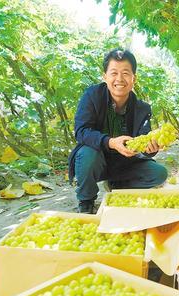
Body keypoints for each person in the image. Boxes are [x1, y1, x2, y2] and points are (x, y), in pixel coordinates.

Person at [68, 49, 168, 214]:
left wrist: (150, 150)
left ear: (133, 79)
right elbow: (81, 131)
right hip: (97, 161)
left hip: (125, 164)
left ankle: (118, 185)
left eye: (126, 73)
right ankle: (86, 200)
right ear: (105, 76)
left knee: (159, 173)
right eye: (114, 73)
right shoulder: (92, 96)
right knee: (87, 154)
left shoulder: (142, 109)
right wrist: (110, 142)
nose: (119, 79)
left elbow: (144, 141)